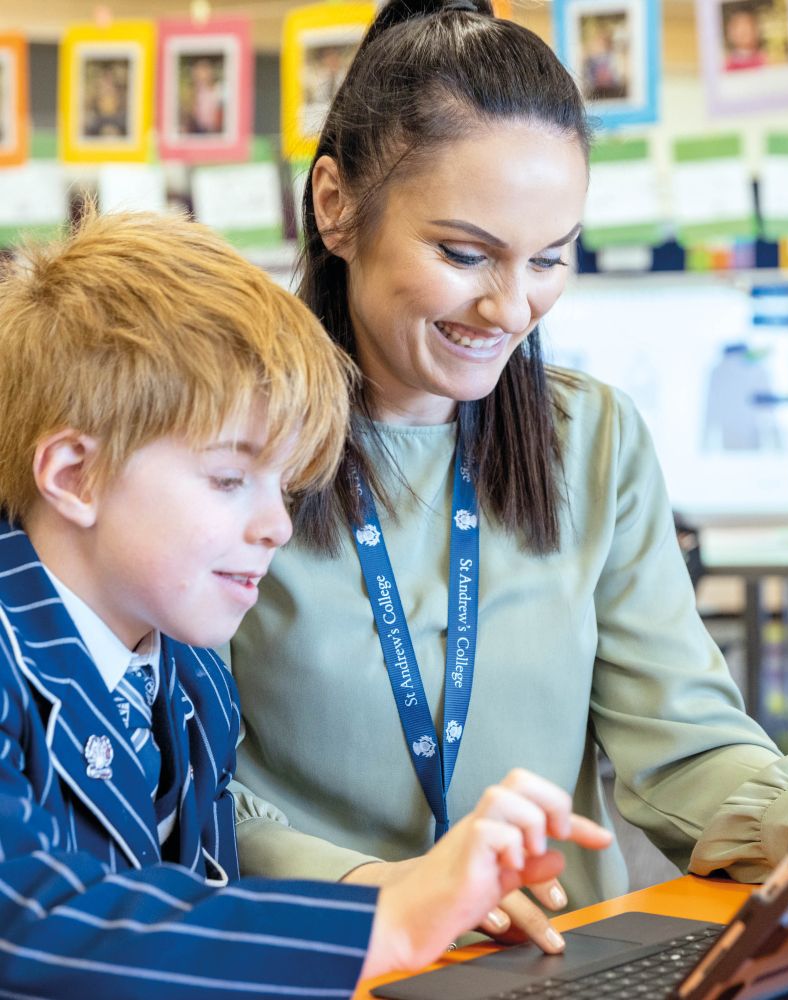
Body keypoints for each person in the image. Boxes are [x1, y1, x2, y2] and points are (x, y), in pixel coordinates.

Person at [229, 0, 788, 959]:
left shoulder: (591, 440)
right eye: (463, 254)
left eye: (550, 259)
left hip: (554, 965)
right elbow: (170, 780)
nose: (510, 308)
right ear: (336, 205)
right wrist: (383, 890)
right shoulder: (222, 445)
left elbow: (682, 747)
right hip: (324, 959)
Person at [0, 209, 613, 997]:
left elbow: (197, 919)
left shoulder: (187, 675)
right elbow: (27, 918)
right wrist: (387, 922)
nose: (277, 526)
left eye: (283, 487)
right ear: (74, 474)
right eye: (228, 480)